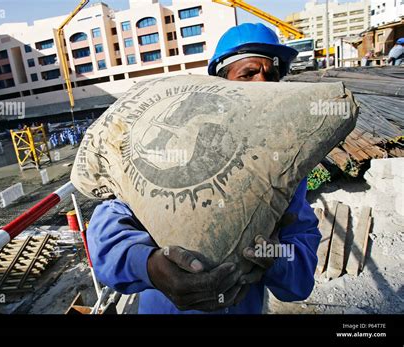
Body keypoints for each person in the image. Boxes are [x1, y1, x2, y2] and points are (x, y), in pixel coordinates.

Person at [85, 23, 321, 314]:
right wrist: (149, 266)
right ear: (221, 86)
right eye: (248, 74)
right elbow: (106, 238)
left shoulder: (283, 167)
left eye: (271, 75)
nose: (263, 84)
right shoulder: (168, 150)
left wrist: (275, 257)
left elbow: (301, 278)